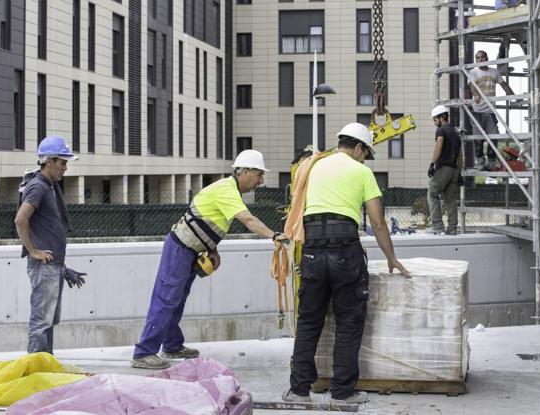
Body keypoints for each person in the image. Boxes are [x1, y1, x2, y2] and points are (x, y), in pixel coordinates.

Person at [282, 123, 411, 405]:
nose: (365, 158)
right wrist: (391, 258)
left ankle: (299, 390)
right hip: (345, 250)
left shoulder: (313, 167)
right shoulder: (362, 172)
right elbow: (377, 223)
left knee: (309, 321)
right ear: (359, 148)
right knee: (349, 321)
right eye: (366, 153)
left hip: (312, 248)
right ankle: (341, 393)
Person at [131, 149, 287, 369]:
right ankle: (143, 353)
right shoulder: (227, 190)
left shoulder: (228, 190)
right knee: (166, 298)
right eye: (259, 174)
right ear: (245, 171)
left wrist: (211, 249)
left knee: (176, 300)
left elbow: (207, 219)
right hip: (181, 248)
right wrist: (274, 235)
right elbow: (248, 221)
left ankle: (172, 345)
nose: (261, 181)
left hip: (189, 250)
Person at [14, 136, 85, 354]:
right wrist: (33, 251)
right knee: (41, 322)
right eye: (62, 162)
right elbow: (20, 219)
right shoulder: (39, 187)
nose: (65, 167)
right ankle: (37, 370)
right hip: (44, 267)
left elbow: (47, 229)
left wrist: (62, 268)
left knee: (48, 320)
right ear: (49, 162)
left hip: (52, 266)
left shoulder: (49, 186)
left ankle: (45, 363)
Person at [468, 50, 516, 171]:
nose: (480, 60)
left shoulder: (494, 72)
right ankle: (480, 162)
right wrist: (475, 95)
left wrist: (513, 96)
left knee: (494, 137)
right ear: (476, 60)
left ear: (487, 58)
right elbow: (472, 86)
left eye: (482, 57)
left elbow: (503, 84)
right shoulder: (473, 72)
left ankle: (491, 162)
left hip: (490, 111)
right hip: (477, 110)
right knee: (478, 139)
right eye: (478, 58)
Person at [427, 105, 463, 236]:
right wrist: (459, 172)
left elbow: (439, 145)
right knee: (450, 200)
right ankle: (452, 229)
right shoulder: (456, 134)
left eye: (434, 119)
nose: (434, 122)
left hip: (444, 168)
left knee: (432, 192)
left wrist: (432, 164)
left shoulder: (441, 131)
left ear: (441, 118)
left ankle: (437, 226)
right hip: (454, 170)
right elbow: (460, 155)